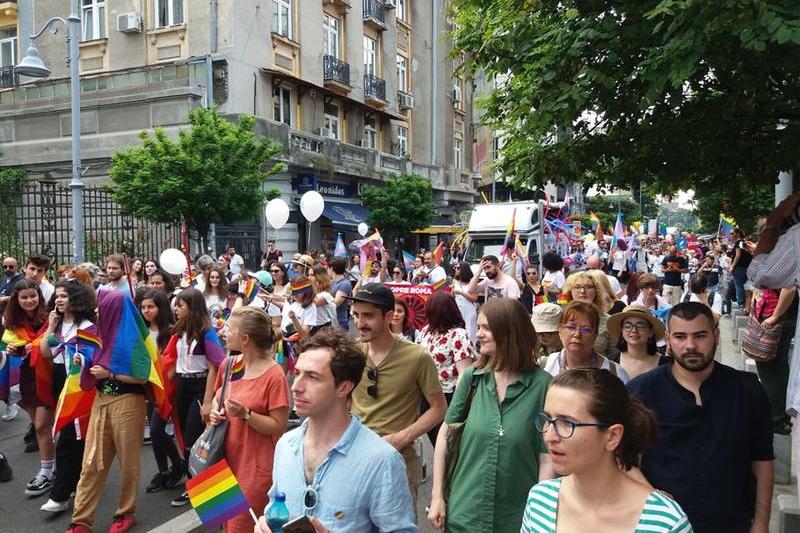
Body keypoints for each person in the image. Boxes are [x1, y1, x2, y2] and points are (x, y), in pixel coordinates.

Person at [627, 302, 774, 532]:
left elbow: (763, 459)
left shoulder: (747, 389)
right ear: (667, 339)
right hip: (663, 523)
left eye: (700, 335)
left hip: (731, 521)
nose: (691, 346)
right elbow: (622, 458)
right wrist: (649, 492)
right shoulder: (641, 391)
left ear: (715, 335)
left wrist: (762, 523)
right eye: (680, 336)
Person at [254, 328, 416, 532]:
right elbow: (275, 509)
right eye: (297, 373)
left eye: (312, 377)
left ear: (344, 388)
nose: (296, 386)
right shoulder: (285, 445)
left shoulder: (382, 461)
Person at [428, 298, 554, 533]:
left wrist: (539, 518)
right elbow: (445, 435)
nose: (478, 335)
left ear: (509, 331)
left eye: (486, 328)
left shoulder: (544, 387)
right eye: (479, 327)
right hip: (464, 515)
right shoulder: (472, 378)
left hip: (516, 520)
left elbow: (545, 457)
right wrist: (437, 497)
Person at [522, 368, 691, 532]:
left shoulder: (665, 522)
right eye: (548, 419)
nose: (550, 436)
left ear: (612, 436)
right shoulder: (540, 501)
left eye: (567, 423)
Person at [348, 283, 447, 515]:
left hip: (398, 460)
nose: (360, 323)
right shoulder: (352, 352)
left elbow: (438, 408)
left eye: (368, 316)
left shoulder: (417, 357)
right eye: (356, 315)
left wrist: (402, 438)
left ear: (390, 316)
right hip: (355, 456)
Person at [64, 291, 152, 533]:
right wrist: (82, 364)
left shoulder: (132, 340)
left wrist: (110, 374)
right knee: (91, 462)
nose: (97, 311)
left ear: (114, 309)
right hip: (100, 401)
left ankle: (125, 513)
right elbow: (88, 369)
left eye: (102, 307)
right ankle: (80, 521)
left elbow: (142, 376)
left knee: (128, 463)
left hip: (128, 403)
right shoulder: (96, 334)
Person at [209, 307, 289, 533]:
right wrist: (215, 411)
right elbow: (217, 398)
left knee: (242, 527)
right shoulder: (229, 364)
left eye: (230, 329)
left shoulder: (275, 375)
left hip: (255, 468)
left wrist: (246, 415)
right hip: (221, 460)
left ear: (244, 339)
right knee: (224, 523)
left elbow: (278, 426)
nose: (224, 332)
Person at [746, 193, 800, 498]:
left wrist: (774, 224)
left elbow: (761, 274)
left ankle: (778, 421)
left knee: (773, 367)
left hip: (778, 320)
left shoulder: (795, 237)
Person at [161, 288, 225, 507]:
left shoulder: (206, 332)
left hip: (200, 386)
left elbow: (215, 366)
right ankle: (198, 484)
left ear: (193, 307)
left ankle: (198, 486)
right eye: (176, 305)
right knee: (183, 437)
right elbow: (170, 361)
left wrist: (208, 401)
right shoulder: (178, 331)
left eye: (180, 305)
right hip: (181, 385)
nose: (176, 309)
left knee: (195, 439)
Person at [38, 280, 96, 513]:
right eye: (58, 296)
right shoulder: (59, 325)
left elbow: (91, 358)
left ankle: (59, 496)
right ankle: (75, 480)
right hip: (60, 379)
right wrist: (50, 328)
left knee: (69, 438)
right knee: (70, 437)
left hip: (78, 384)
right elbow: (45, 353)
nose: (59, 300)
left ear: (76, 299)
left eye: (65, 296)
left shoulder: (88, 326)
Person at [2, 280, 54, 495]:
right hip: (27, 376)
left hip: (50, 374)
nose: (29, 300)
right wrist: (15, 350)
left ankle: (49, 470)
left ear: (39, 296)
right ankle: (50, 469)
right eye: (24, 297)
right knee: (39, 425)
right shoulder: (14, 323)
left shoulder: (51, 318)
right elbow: (17, 350)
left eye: (32, 296)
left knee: (43, 425)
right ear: (17, 300)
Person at [138, 290, 184, 494]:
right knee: (156, 434)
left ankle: (179, 464)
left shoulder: (173, 332)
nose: (146, 311)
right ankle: (163, 471)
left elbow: (174, 363)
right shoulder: (141, 332)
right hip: (147, 387)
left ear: (161, 308)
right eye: (143, 307)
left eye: (151, 307)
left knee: (157, 429)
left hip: (168, 388)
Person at [415, 292, 475, 444]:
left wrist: (457, 404)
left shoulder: (458, 334)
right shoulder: (425, 332)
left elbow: (464, 373)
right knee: (434, 439)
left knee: (446, 442)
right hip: (426, 394)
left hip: (449, 395)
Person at [541, 301, 630, 383]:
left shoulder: (615, 374)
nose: (577, 334)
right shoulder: (544, 367)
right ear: (559, 330)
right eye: (571, 327)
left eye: (585, 329)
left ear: (595, 335)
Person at [563, 270, 618, 359]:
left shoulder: (608, 321)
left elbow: (614, 355)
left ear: (596, 291)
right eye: (577, 287)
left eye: (588, 287)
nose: (582, 291)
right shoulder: (562, 318)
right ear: (570, 291)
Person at [607, 304, 665, 380]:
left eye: (640, 326)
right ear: (622, 332)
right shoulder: (611, 362)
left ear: (650, 332)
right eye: (628, 326)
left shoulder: (665, 364)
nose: (634, 330)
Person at [450, 261, 478, 344]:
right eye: (455, 268)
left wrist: (462, 293)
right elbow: (452, 296)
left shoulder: (471, 282)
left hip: (469, 309)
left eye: (458, 268)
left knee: (470, 332)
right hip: (458, 308)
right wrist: (452, 292)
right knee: (457, 331)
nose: (456, 270)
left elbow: (474, 298)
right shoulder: (455, 281)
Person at [327, 257, 353, 331]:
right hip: (331, 322)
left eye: (327, 268)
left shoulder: (345, 284)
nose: (327, 271)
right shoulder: (332, 283)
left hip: (339, 322)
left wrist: (325, 296)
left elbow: (335, 303)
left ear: (331, 268)